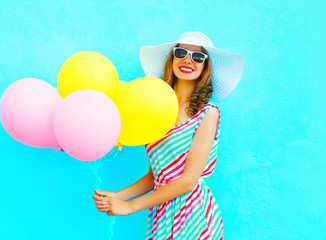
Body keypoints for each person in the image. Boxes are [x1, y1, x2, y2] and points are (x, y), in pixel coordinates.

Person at [92, 31, 244, 239]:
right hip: (162, 212)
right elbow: (157, 176)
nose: (188, 60)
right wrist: (118, 196)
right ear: (172, 59)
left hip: (193, 213)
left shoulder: (208, 113)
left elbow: (187, 181)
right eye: (181, 52)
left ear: (205, 67)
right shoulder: (157, 110)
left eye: (198, 57)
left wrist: (129, 206)